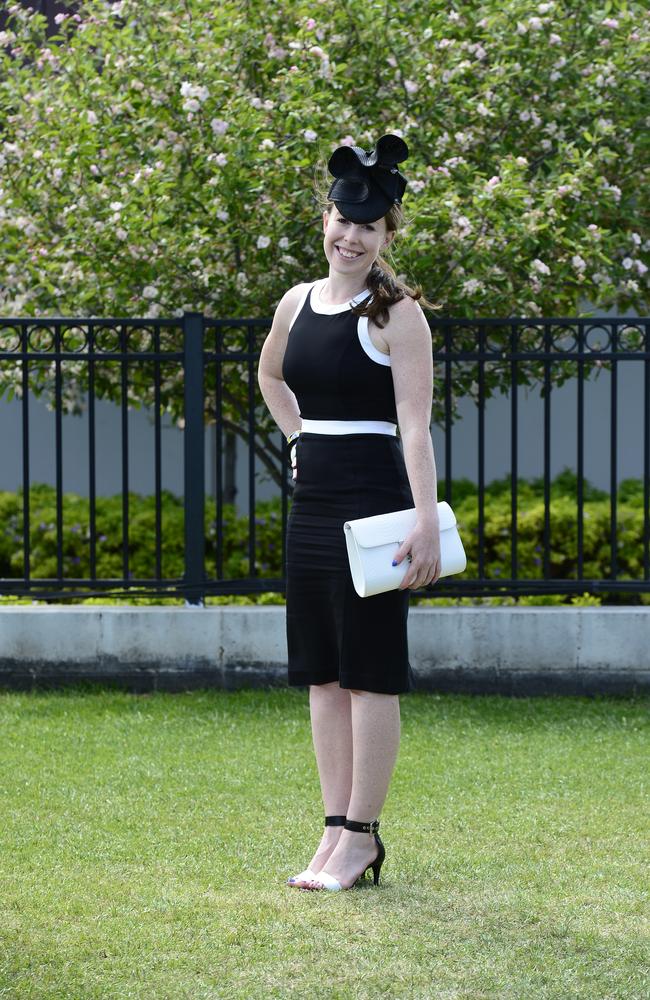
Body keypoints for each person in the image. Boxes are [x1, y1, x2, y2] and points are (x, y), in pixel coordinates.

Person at [257, 133, 441, 892]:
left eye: (369, 226)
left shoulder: (398, 316)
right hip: (312, 510)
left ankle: (363, 837)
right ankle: (333, 831)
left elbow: (416, 427)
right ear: (324, 219)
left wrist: (425, 519)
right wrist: (298, 438)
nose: (352, 236)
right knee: (322, 676)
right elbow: (270, 373)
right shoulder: (295, 302)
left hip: (374, 507)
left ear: (388, 234)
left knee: (368, 675)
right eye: (342, 219)